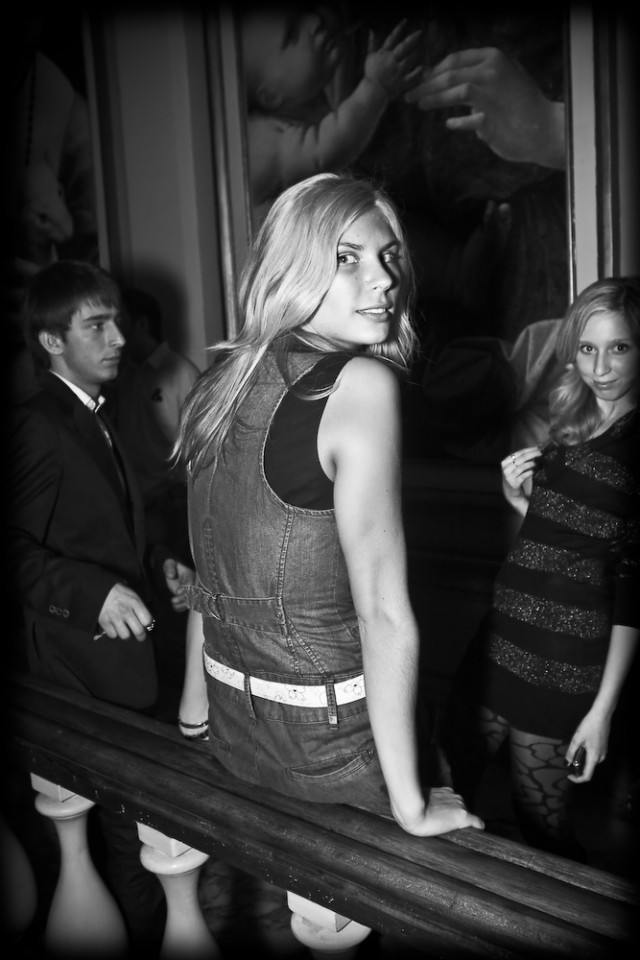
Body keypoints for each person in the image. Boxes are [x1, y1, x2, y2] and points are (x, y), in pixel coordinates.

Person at [175, 171, 484, 837]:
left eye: (389, 256)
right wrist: (412, 804)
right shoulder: (358, 384)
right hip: (332, 746)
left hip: (233, 727)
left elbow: (210, 578)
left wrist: (194, 712)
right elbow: (384, 614)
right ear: (291, 268)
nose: (384, 280)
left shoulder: (218, 383)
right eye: (347, 258)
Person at [6, 259, 194, 953]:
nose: (118, 337)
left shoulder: (95, 412)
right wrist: (92, 595)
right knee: (127, 838)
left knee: (137, 835)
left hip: (119, 664)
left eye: (116, 321)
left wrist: (159, 561)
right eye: (97, 325)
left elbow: (99, 530)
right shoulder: (38, 424)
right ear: (52, 340)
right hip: (78, 672)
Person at [442, 277, 640, 861]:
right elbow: (572, 540)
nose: (599, 367)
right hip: (500, 638)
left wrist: (601, 712)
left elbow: (632, 589)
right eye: (587, 348)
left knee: (541, 824)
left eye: (620, 348)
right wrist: (519, 500)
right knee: (446, 782)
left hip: (563, 661)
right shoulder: (575, 418)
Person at [108, 285, 200, 564]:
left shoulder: (181, 372)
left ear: (141, 324)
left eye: (120, 320)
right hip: (135, 501)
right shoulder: (121, 374)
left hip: (172, 502)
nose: (113, 333)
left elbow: (202, 443)